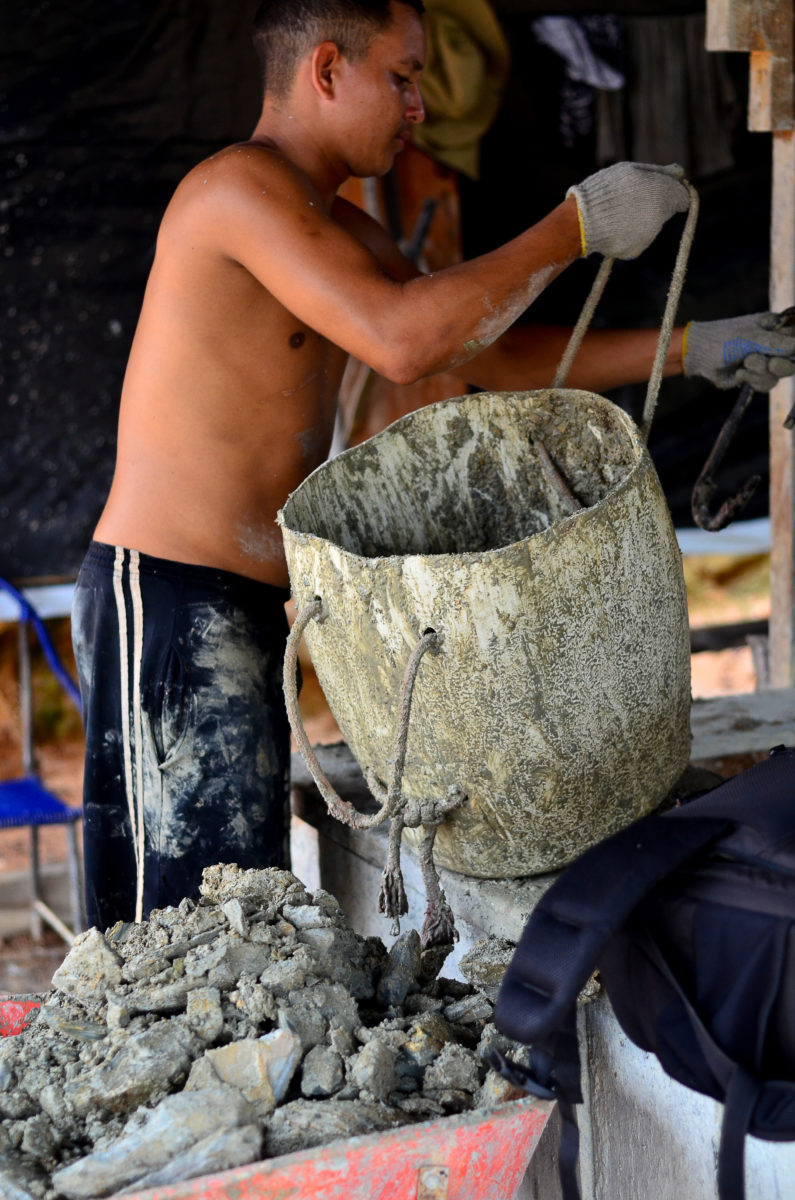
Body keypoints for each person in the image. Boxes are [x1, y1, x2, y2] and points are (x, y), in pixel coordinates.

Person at [72, 0, 795, 931]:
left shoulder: (341, 232)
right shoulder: (235, 190)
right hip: (165, 600)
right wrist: (574, 225)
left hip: (239, 607)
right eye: (403, 78)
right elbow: (405, 341)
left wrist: (691, 345)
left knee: (229, 913)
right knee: (171, 932)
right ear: (326, 69)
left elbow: (480, 357)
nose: (419, 106)